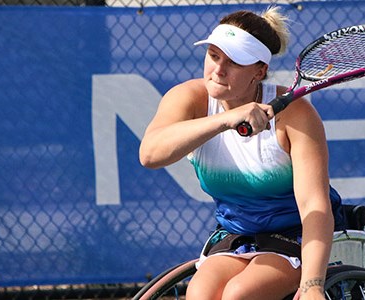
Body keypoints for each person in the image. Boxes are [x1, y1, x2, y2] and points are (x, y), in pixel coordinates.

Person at [139, 6, 345, 300]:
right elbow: (149, 155)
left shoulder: (297, 114)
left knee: (238, 294)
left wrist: (312, 285)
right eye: (213, 56)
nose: (218, 70)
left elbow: (315, 206)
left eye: (234, 62)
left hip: (296, 235)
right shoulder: (189, 98)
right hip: (235, 233)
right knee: (200, 294)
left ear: (259, 71)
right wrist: (225, 121)